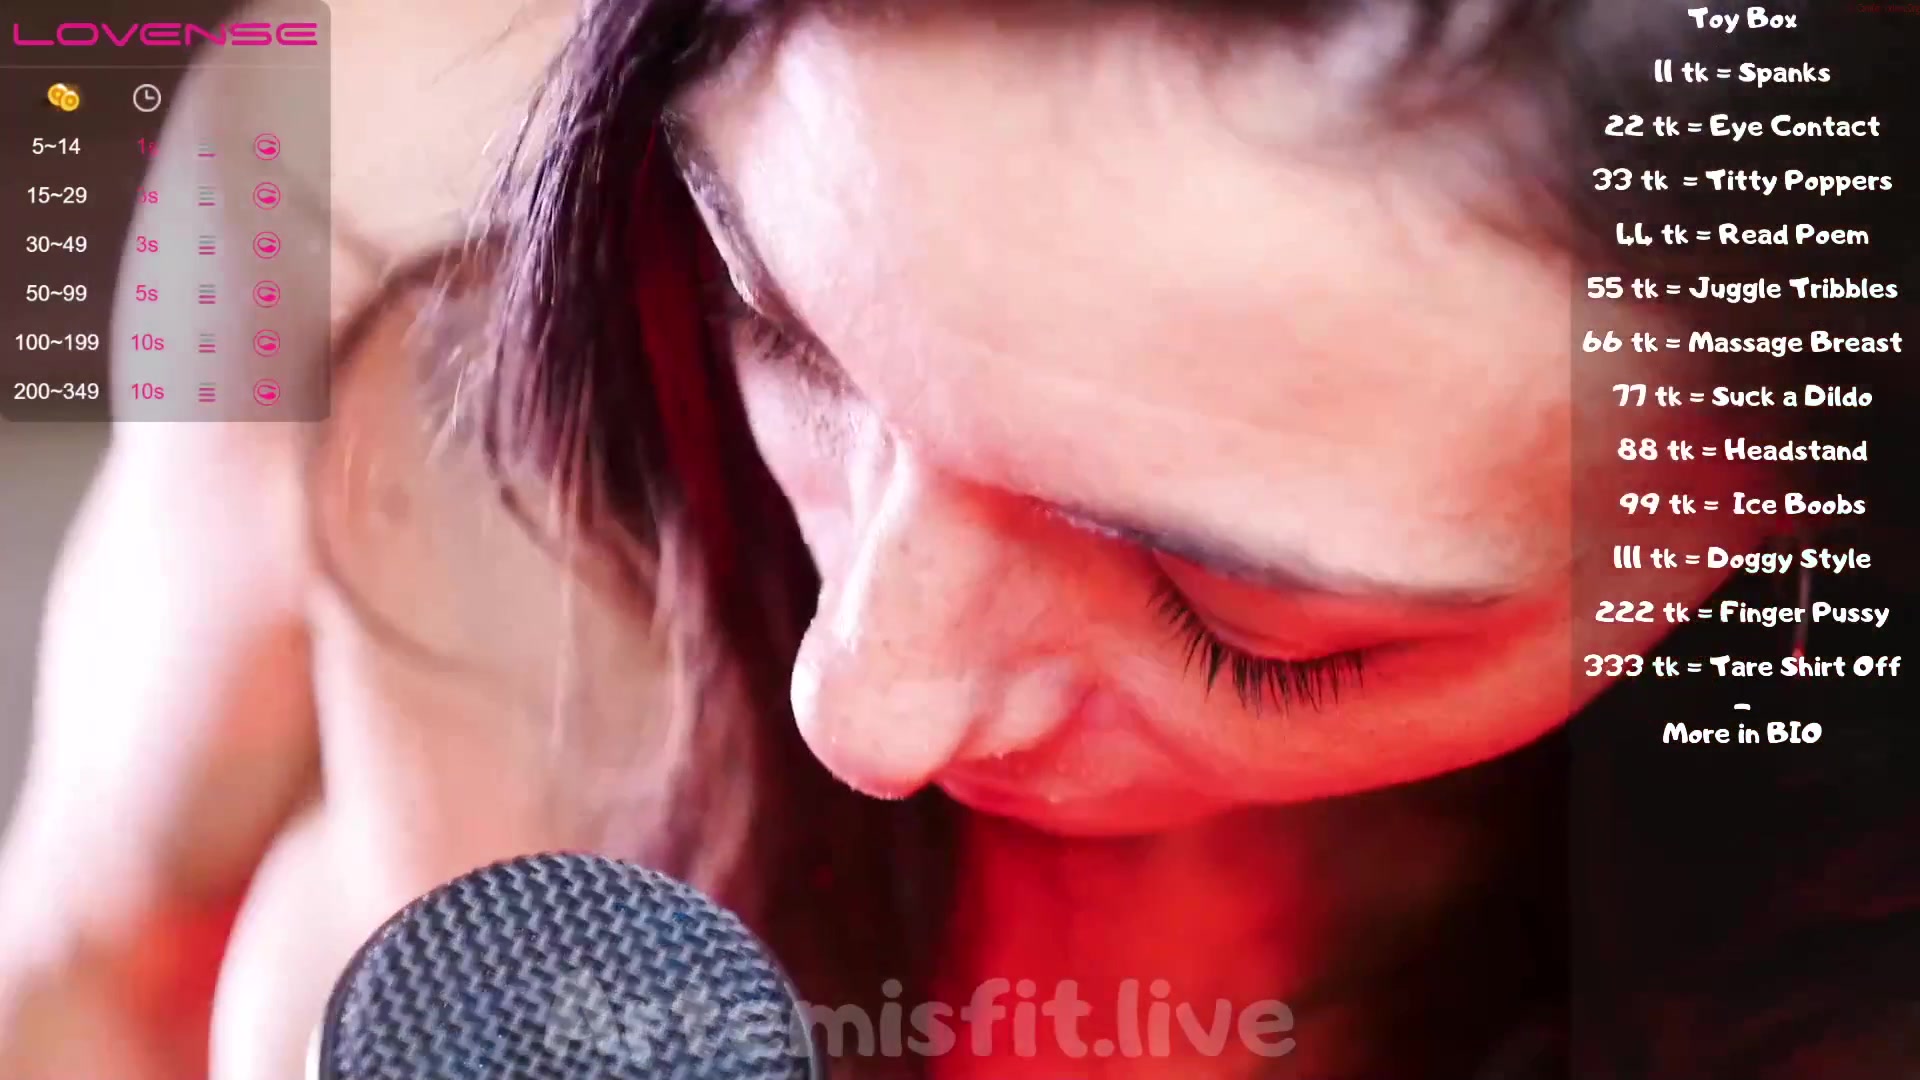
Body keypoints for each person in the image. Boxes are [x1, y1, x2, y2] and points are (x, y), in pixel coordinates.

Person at [7, 1, 1917, 1078]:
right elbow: (84, 971)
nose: (861, 701)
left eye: (1242, 617)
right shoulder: (393, 213)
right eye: (774, 319)